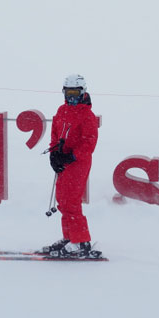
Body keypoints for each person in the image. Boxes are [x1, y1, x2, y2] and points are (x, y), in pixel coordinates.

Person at [41, 74, 100, 258]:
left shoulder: (87, 116)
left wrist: (71, 156)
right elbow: (55, 133)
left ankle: (81, 241)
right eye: (68, 93)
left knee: (72, 201)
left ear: (83, 93)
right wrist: (54, 154)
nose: (71, 97)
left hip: (78, 163)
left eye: (75, 93)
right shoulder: (62, 110)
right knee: (63, 200)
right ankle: (69, 237)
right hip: (64, 161)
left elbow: (89, 143)